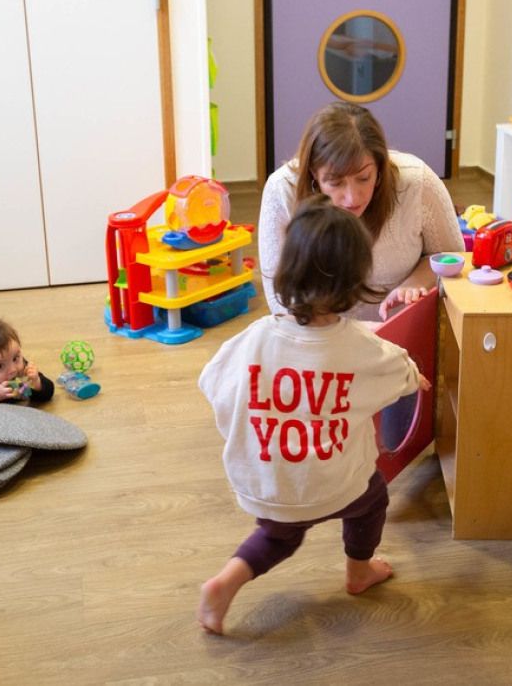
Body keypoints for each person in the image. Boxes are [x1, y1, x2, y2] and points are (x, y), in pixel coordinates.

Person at [196, 195, 430, 635]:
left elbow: (213, 382)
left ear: (287, 269)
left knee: (279, 536)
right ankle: (359, 571)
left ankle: (225, 582)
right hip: (337, 482)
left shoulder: (256, 337)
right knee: (372, 501)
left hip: (273, 481)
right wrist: (415, 379)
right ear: (354, 282)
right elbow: (399, 371)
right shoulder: (360, 347)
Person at [258, 101, 464, 322]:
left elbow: (453, 257)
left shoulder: (416, 181)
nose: (352, 198)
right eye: (335, 182)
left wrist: (413, 285)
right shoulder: (282, 189)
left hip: (403, 330)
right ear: (313, 174)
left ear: (380, 166)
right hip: (320, 340)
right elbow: (279, 294)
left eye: (364, 178)